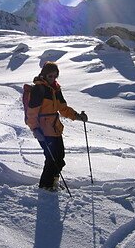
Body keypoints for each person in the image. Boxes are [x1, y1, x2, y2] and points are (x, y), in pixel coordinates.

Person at [26, 61, 88, 191]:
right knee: (52, 158)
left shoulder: (55, 89)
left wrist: (77, 116)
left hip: (55, 128)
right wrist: (35, 129)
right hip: (43, 130)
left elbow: (63, 108)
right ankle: (45, 186)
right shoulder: (39, 89)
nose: (53, 79)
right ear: (44, 75)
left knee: (59, 157)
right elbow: (31, 112)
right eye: (50, 76)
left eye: (55, 76)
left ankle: (52, 182)